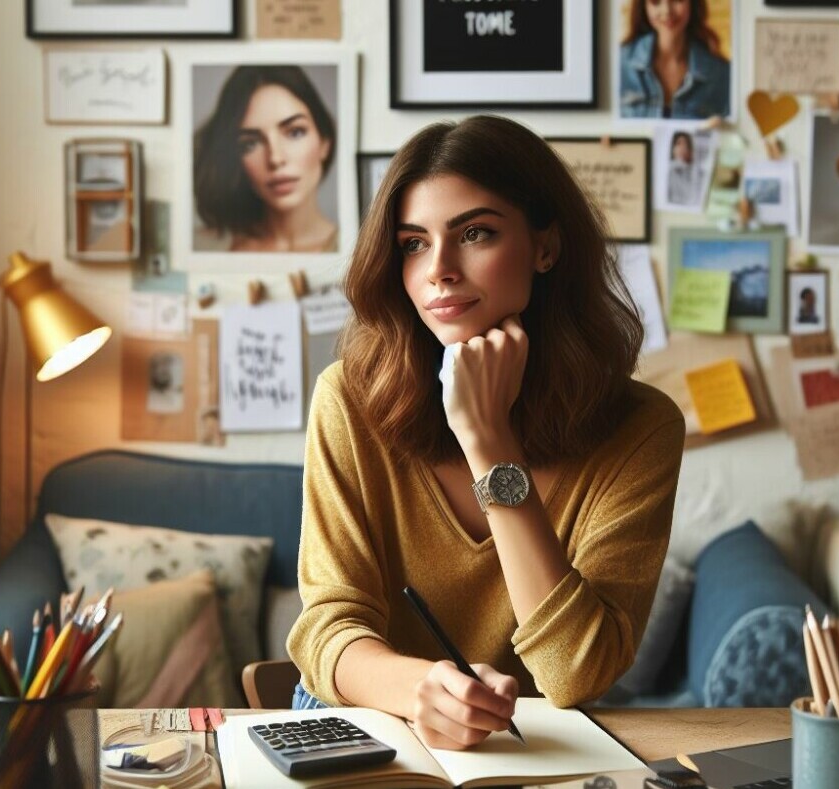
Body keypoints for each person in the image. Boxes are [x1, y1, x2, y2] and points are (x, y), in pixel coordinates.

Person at [286, 115, 685, 751]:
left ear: (545, 246)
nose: (438, 269)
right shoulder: (348, 400)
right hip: (370, 724)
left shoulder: (641, 430)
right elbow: (328, 627)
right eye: (413, 242)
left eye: (475, 233)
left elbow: (575, 673)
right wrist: (420, 692)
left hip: (530, 746)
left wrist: (487, 439)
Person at [194, 65, 338, 253]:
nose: (275, 158)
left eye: (295, 132)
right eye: (250, 144)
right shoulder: (203, 247)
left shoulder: (360, 251)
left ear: (324, 143)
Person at [619, 0, 730, 119]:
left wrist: (723, 132)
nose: (667, 11)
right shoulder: (619, 64)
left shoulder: (722, 74)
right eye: (655, 2)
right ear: (643, 7)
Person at [667, 131, 697, 206]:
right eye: (678, 144)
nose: (682, 148)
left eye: (686, 145)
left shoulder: (694, 172)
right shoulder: (669, 168)